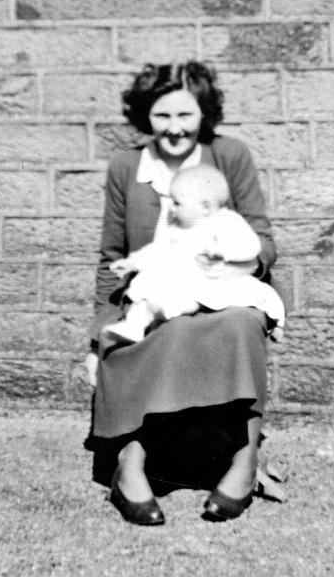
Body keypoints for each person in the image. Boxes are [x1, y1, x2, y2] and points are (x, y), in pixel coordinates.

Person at [85, 61, 282, 526]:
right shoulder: (127, 168)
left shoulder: (228, 156)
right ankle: (129, 466)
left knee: (239, 324)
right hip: (153, 292)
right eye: (162, 117)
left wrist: (233, 264)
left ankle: (243, 458)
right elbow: (110, 257)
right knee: (139, 333)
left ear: (204, 114)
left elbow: (264, 242)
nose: (174, 129)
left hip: (223, 289)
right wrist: (95, 340)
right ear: (144, 118)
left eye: (185, 116)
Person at [102, 164, 285, 344]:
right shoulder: (177, 229)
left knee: (257, 295)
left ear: (205, 207)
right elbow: (156, 251)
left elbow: (250, 246)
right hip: (184, 280)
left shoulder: (226, 221)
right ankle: (134, 326)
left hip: (215, 281)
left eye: (177, 202)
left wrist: (224, 252)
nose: (171, 208)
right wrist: (133, 262)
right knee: (145, 287)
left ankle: (276, 323)